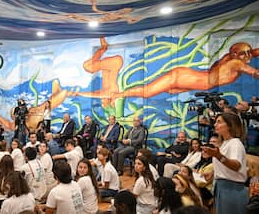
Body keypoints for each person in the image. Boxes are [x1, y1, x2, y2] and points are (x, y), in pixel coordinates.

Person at [111, 42, 259, 101]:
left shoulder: (232, 58)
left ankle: (118, 95)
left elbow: (253, 52)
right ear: (234, 54)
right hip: (183, 77)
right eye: (243, 54)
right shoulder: (236, 63)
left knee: (151, 91)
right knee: (148, 92)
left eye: (248, 53)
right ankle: (118, 95)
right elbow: (255, 73)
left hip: (189, 81)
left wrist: (183, 89)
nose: (248, 56)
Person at [203, 112, 248, 214]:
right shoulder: (225, 143)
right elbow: (225, 166)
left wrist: (218, 156)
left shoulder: (235, 143)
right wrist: (214, 173)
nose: (215, 124)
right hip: (222, 186)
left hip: (232, 188)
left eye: (219, 122)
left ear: (230, 125)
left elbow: (236, 166)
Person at [75, 37, 123, 108]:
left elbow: (95, 93)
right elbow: (93, 95)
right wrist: (79, 93)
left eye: (101, 102)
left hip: (110, 65)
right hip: (115, 63)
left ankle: (103, 47)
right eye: (103, 102)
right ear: (109, 100)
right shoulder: (110, 94)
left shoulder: (105, 91)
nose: (101, 100)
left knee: (88, 67)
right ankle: (104, 47)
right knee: (87, 66)